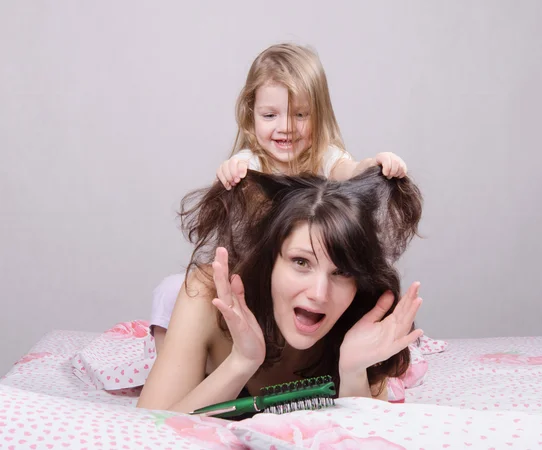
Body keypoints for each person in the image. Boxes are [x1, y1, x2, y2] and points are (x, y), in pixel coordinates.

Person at [151, 43, 409, 351]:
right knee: (171, 292)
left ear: (320, 115)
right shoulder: (252, 165)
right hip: (252, 276)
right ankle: (172, 365)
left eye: (300, 115)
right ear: (251, 117)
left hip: (304, 283)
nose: (285, 127)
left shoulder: (324, 157)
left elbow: (349, 169)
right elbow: (237, 180)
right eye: (270, 115)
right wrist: (233, 171)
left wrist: (375, 165)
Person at [137, 166, 424, 413]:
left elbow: (364, 439)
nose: (319, 293)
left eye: (342, 272)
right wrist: (241, 362)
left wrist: (352, 375)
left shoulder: (361, 317)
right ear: (269, 262)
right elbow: (147, 431)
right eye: (301, 262)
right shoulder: (206, 295)